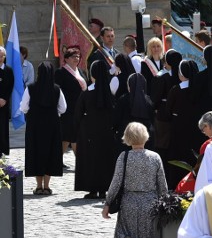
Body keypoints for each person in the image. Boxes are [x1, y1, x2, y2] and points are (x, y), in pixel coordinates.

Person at [101, 122, 167, 238]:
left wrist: (107, 203)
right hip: (150, 201)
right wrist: (165, 204)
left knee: (126, 229)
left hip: (129, 201)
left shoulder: (124, 157)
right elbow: (162, 184)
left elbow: (116, 182)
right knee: (148, 231)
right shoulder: (155, 157)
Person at [20, 62, 66, 195]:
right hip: (52, 125)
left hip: (35, 125)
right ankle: (47, 185)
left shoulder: (31, 88)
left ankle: (39, 185)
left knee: (36, 152)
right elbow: (63, 108)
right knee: (51, 152)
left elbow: (24, 107)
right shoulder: (57, 89)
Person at [75, 60, 117, 199]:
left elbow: (78, 113)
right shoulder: (109, 93)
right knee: (105, 159)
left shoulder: (86, 93)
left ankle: (92, 188)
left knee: (91, 160)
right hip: (106, 132)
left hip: (89, 132)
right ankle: (104, 189)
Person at [165, 60, 202, 188]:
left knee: (178, 156)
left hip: (178, 129)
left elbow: (168, 110)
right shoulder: (199, 90)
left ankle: (177, 184)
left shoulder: (176, 90)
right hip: (196, 129)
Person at [55, 46, 87, 155]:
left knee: (73, 136)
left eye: (78, 56)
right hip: (67, 110)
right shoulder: (60, 72)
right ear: (66, 59)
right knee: (69, 136)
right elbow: (57, 90)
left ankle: (59, 160)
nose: (76, 58)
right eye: (73, 56)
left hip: (80, 109)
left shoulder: (81, 72)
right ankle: (59, 160)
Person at [114, 73, 155, 151]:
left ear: (129, 86)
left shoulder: (123, 99)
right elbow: (152, 119)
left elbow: (116, 119)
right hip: (145, 139)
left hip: (126, 139)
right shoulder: (148, 100)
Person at [0, 47, 14, 155]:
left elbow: (10, 86)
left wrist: (4, 99)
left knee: (3, 127)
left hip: (4, 104)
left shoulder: (8, 70)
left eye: (2, 56)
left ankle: (3, 149)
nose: (0, 58)